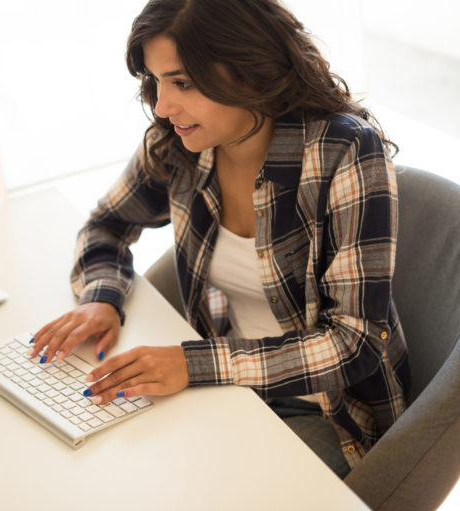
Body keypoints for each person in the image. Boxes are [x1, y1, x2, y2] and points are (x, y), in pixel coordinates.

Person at [29, 0, 410, 479]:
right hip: (223, 383)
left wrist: (196, 366)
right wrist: (101, 298)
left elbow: (355, 342)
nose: (164, 107)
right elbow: (106, 225)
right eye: (157, 81)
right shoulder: (178, 143)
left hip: (327, 412)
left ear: (248, 70)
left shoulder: (344, 150)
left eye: (182, 82)